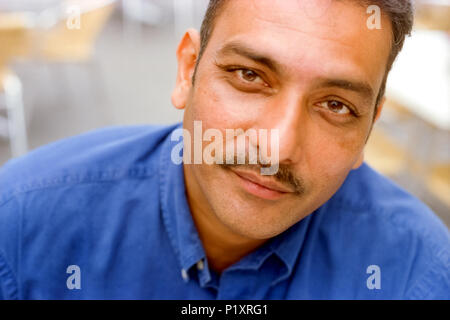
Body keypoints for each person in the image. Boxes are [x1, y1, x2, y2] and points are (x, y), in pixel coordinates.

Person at [0, 0, 448, 300]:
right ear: (187, 70)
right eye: (249, 76)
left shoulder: (419, 273)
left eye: (336, 105)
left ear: (369, 127)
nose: (277, 147)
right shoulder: (20, 230)